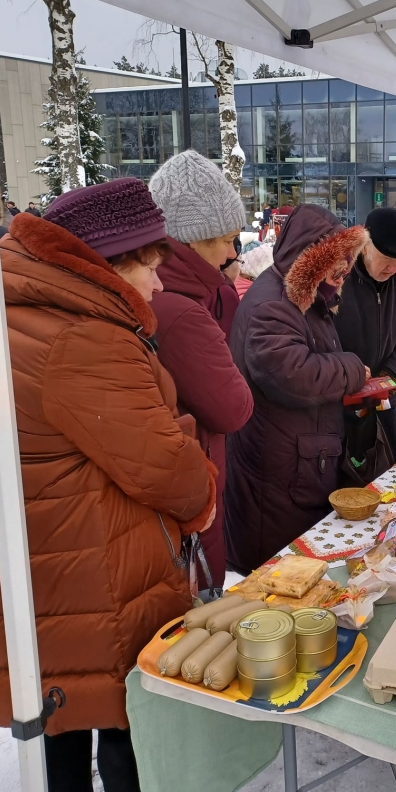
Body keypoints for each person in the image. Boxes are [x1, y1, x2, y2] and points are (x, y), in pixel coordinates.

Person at [0, 179, 231, 792]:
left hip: (27, 553)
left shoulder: (7, 310)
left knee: (55, 692)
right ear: (109, 262)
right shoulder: (86, 337)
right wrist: (194, 462)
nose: (159, 280)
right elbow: (167, 469)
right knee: (127, 693)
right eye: (150, 263)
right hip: (96, 554)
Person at [224, 204, 368, 574]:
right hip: (279, 472)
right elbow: (293, 374)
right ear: (310, 261)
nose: (343, 272)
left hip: (296, 463)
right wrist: (352, 369)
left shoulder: (302, 296)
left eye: (347, 263)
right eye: (336, 263)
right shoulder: (273, 304)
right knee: (277, 576)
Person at [148, 150, 254, 596]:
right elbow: (232, 407)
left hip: (193, 481)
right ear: (192, 240)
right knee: (203, 599)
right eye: (225, 240)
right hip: (191, 487)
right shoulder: (179, 310)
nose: (232, 253)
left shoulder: (197, 292)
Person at [335, 207, 396, 463]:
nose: (393, 268)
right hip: (342, 396)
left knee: (386, 468)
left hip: (387, 395)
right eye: (386, 258)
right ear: (365, 246)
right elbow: (319, 334)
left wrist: (392, 370)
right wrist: (346, 373)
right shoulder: (339, 274)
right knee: (345, 472)